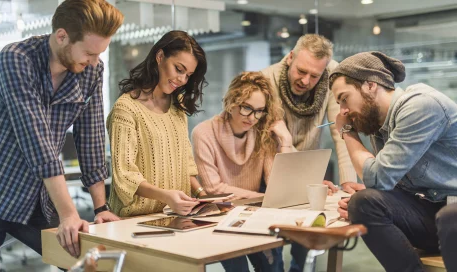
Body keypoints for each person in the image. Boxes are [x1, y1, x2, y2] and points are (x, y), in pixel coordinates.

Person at [0, 0, 124, 269]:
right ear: (62, 37)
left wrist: (100, 208)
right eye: (89, 53)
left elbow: (90, 138)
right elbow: (38, 143)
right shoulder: (16, 59)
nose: (94, 62)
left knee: (84, 262)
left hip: (36, 197)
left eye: (99, 54)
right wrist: (69, 213)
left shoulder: (91, 70)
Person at [329, 51, 457, 272]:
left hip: (450, 214)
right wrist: (379, 193)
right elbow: (384, 183)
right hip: (436, 210)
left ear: (370, 85)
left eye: (344, 99)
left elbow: (377, 178)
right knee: (364, 202)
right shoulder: (378, 126)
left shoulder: (420, 106)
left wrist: (347, 132)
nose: (343, 111)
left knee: (450, 217)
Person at [261, 33, 360, 272]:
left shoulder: (333, 76)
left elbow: (342, 130)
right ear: (290, 58)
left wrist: (349, 179)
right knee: (271, 245)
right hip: (273, 165)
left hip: (309, 168)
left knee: (307, 242)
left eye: (314, 76)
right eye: (301, 71)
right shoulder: (267, 79)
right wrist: (306, 176)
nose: (306, 81)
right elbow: (273, 139)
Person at [192, 71, 294, 271]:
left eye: (259, 111)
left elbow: (277, 187)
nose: (252, 117)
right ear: (231, 102)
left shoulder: (262, 133)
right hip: (222, 215)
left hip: (256, 213)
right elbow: (213, 187)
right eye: (247, 108)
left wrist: (286, 142)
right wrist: (262, 197)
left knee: (274, 268)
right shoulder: (203, 133)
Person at [107, 30, 207, 218]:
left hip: (173, 216)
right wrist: (167, 197)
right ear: (160, 56)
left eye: (188, 75)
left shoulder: (178, 106)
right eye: (179, 69)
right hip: (132, 221)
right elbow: (125, 176)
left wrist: (204, 196)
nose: (182, 80)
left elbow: (186, 164)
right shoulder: (126, 108)